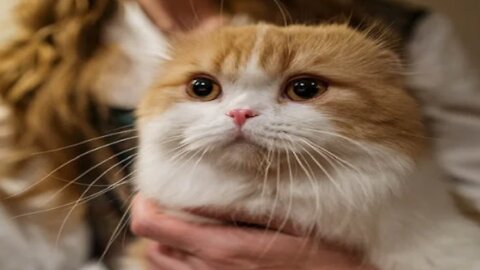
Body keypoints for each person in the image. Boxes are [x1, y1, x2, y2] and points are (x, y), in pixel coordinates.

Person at [0, 0, 478, 269]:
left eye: (305, 88)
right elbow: (32, 250)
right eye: (203, 88)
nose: (242, 113)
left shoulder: (401, 29)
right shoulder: (31, 54)